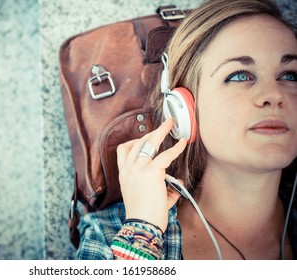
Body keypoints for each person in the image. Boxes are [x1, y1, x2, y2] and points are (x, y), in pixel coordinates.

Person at [76, 0, 297, 260]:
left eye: (290, 75)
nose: (274, 95)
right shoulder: (110, 237)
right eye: (239, 75)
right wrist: (141, 235)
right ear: (182, 109)